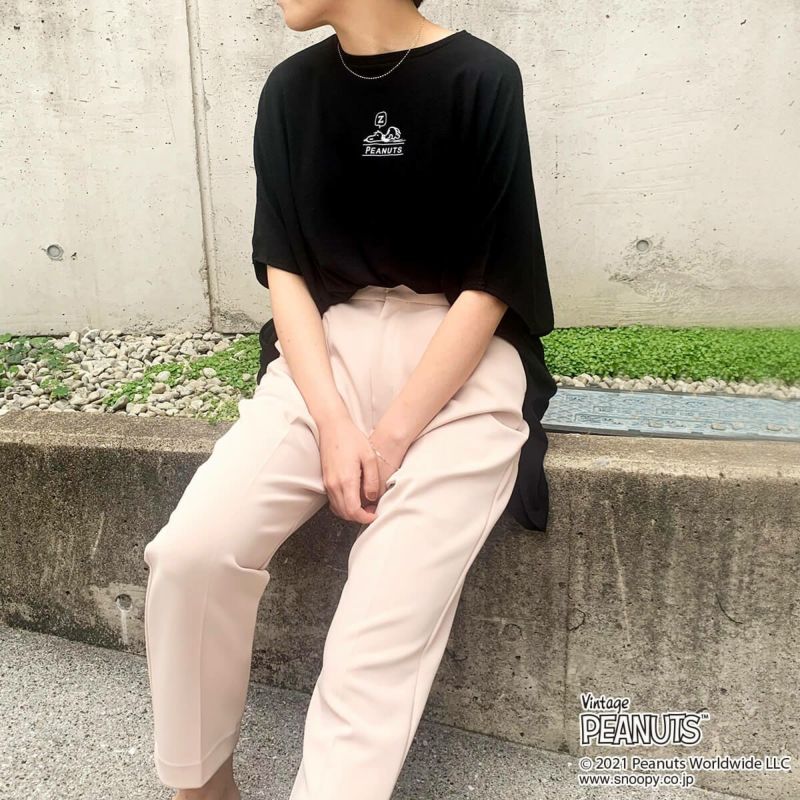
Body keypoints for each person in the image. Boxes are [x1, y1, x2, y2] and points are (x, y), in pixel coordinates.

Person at [142, 1, 557, 799]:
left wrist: (391, 437)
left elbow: (492, 282)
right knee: (192, 552)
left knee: (381, 621)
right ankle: (201, 788)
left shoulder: (482, 78)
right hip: (326, 352)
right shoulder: (289, 91)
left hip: (461, 363)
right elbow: (285, 271)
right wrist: (334, 423)